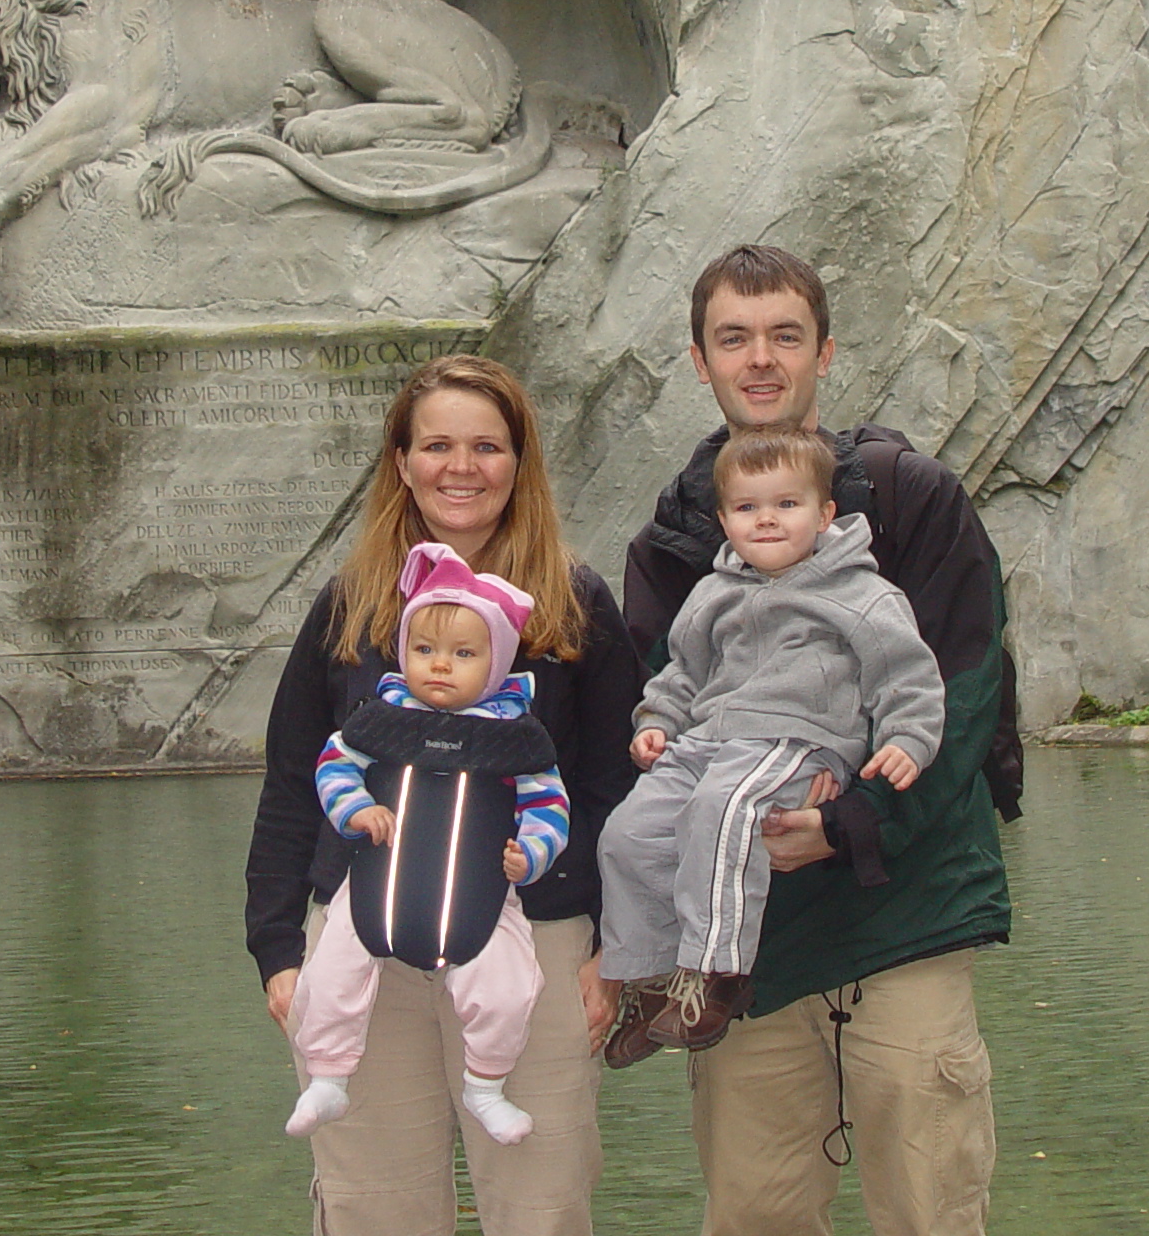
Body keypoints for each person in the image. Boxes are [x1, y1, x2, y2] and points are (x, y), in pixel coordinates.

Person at [621, 245, 1018, 1236]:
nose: (760, 359)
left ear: (824, 352)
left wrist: (856, 824)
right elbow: (658, 722)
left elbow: (963, 695)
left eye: (784, 336)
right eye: (734, 338)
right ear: (698, 360)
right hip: (749, 943)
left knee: (928, 1206)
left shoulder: (910, 497)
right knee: (756, 1213)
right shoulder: (675, 542)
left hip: (904, 912)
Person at [246, 353, 643, 1236]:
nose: (461, 467)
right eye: (436, 445)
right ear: (401, 462)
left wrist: (614, 943)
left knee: (540, 1209)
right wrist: (277, 948)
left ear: (520, 462)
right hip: (363, 941)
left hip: (535, 948)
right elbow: (289, 786)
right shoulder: (351, 607)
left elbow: (619, 788)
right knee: (373, 1213)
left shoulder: (573, 605)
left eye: (487, 447)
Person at [597, 425, 942, 1055]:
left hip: (795, 737)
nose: (767, 521)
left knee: (723, 810)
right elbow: (683, 674)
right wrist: (657, 723)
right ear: (725, 519)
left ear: (824, 512)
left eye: (786, 505)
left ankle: (719, 974)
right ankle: (653, 979)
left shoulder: (862, 594)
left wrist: (908, 738)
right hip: (709, 740)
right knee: (628, 835)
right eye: (747, 508)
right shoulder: (713, 593)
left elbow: (909, 677)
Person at [287, 542, 569, 1145]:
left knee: (509, 987)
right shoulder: (382, 719)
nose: (440, 665)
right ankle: (328, 1077)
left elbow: (550, 805)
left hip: (483, 896)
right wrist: (357, 809)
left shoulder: (516, 738)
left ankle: (485, 1086)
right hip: (371, 887)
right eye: (424, 649)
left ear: (496, 665)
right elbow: (331, 767)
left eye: (464, 654)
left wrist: (533, 853)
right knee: (330, 974)